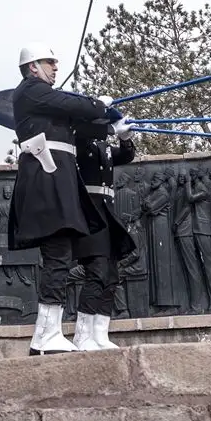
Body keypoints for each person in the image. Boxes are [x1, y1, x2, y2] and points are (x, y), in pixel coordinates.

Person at [7, 43, 124, 355]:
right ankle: (45, 337)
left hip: (58, 181)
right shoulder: (30, 90)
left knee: (61, 253)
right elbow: (74, 105)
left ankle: (49, 334)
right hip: (46, 181)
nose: (55, 67)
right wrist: (97, 105)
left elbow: (86, 123)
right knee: (58, 254)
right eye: (49, 62)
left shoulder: (46, 101)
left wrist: (110, 122)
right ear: (32, 66)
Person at [70, 121, 138, 350]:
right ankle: (82, 336)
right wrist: (96, 116)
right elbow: (81, 134)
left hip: (106, 217)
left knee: (110, 278)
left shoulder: (104, 148)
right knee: (96, 273)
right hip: (90, 216)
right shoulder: (80, 142)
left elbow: (126, 155)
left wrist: (125, 138)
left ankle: (100, 334)